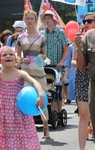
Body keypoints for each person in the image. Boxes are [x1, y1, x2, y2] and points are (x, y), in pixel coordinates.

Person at [0, 45, 44, 150]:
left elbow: (34, 82)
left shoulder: (21, 73)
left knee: (22, 136)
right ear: (0, 60)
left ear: (16, 58)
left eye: (11, 54)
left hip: (20, 112)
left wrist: (40, 94)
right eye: (4, 55)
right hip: (3, 112)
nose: (8, 56)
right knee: (4, 138)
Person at [17, 10, 50, 139]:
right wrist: (21, 59)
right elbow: (17, 54)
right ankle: (26, 130)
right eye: (28, 18)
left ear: (35, 20)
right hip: (25, 72)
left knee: (42, 99)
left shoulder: (41, 37)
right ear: (25, 20)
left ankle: (46, 128)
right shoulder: (20, 37)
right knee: (25, 99)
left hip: (38, 71)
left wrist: (38, 58)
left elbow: (45, 55)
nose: (30, 21)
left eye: (32, 18)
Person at [72, 12, 95, 150]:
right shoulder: (80, 38)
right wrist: (80, 49)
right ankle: (82, 148)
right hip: (83, 77)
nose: (86, 23)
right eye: (85, 21)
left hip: (91, 76)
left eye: (90, 20)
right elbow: (74, 61)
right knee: (84, 115)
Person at [40, 10, 69, 113]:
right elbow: (39, 50)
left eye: (49, 18)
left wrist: (62, 61)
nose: (47, 20)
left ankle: (58, 112)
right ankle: (48, 112)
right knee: (45, 89)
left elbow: (66, 49)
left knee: (58, 90)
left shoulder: (60, 32)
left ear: (53, 19)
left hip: (58, 67)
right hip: (45, 67)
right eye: (45, 18)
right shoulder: (42, 34)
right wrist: (40, 63)